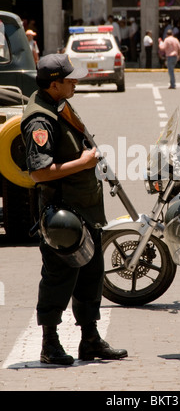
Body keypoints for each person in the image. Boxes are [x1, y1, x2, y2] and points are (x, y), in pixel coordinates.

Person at [20, 54, 128, 366]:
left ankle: (90, 339)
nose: (75, 82)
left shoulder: (58, 104)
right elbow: (39, 172)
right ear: (54, 84)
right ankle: (49, 342)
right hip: (64, 216)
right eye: (69, 79)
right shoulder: (40, 120)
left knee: (91, 275)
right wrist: (84, 162)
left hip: (86, 210)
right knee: (59, 276)